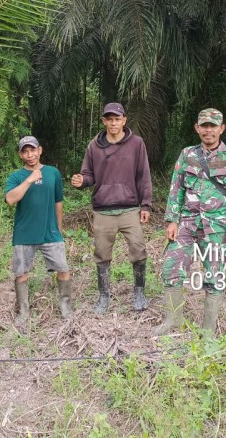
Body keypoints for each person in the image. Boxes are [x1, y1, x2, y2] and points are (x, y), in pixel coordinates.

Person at [154, 108, 226, 336]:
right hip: (187, 222)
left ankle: (208, 331)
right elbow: (176, 188)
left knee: (215, 275)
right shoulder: (187, 154)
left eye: (213, 126)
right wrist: (171, 220)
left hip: (217, 226)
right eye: (204, 126)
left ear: (221, 129)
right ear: (197, 128)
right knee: (171, 267)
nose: (209, 130)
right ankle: (173, 322)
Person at [70, 102, 153, 314]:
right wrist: (82, 181)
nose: (113, 122)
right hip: (103, 210)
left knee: (138, 250)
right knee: (102, 254)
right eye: (109, 119)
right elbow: (89, 175)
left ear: (124, 120)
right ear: (104, 121)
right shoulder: (94, 146)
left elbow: (143, 175)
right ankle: (104, 297)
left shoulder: (136, 144)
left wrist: (146, 204)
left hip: (130, 209)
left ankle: (139, 293)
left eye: (117, 119)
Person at [5, 136, 72, 329]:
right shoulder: (16, 177)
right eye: (25, 151)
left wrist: (58, 229)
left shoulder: (52, 173)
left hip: (50, 232)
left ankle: (65, 307)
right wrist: (30, 179)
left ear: (40, 150)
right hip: (24, 234)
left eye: (32, 150)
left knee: (63, 269)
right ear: (20, 154)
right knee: (21, 274)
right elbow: (10, 199)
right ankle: (23, 312)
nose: (30, 154)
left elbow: (58, 201)